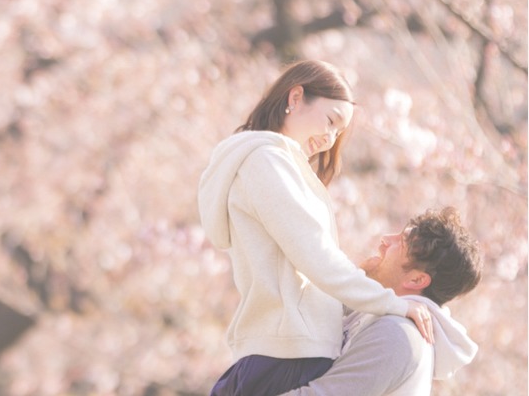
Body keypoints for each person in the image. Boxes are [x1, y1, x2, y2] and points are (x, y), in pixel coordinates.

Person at [198, 60, 433, 396]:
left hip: (282, 351)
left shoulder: (270, 163)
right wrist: (395, 304)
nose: (329, 138)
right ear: (295, 97)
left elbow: (302, 267)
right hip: (289, 354)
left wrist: (358, 281)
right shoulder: (267, 162)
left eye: (339, 132)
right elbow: (315, 256)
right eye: (331, 120)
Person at [278, 207, 482, 396]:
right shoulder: (377, 315)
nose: (385, 240)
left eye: (401, 243)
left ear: (417, 279)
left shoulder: (398, 335)